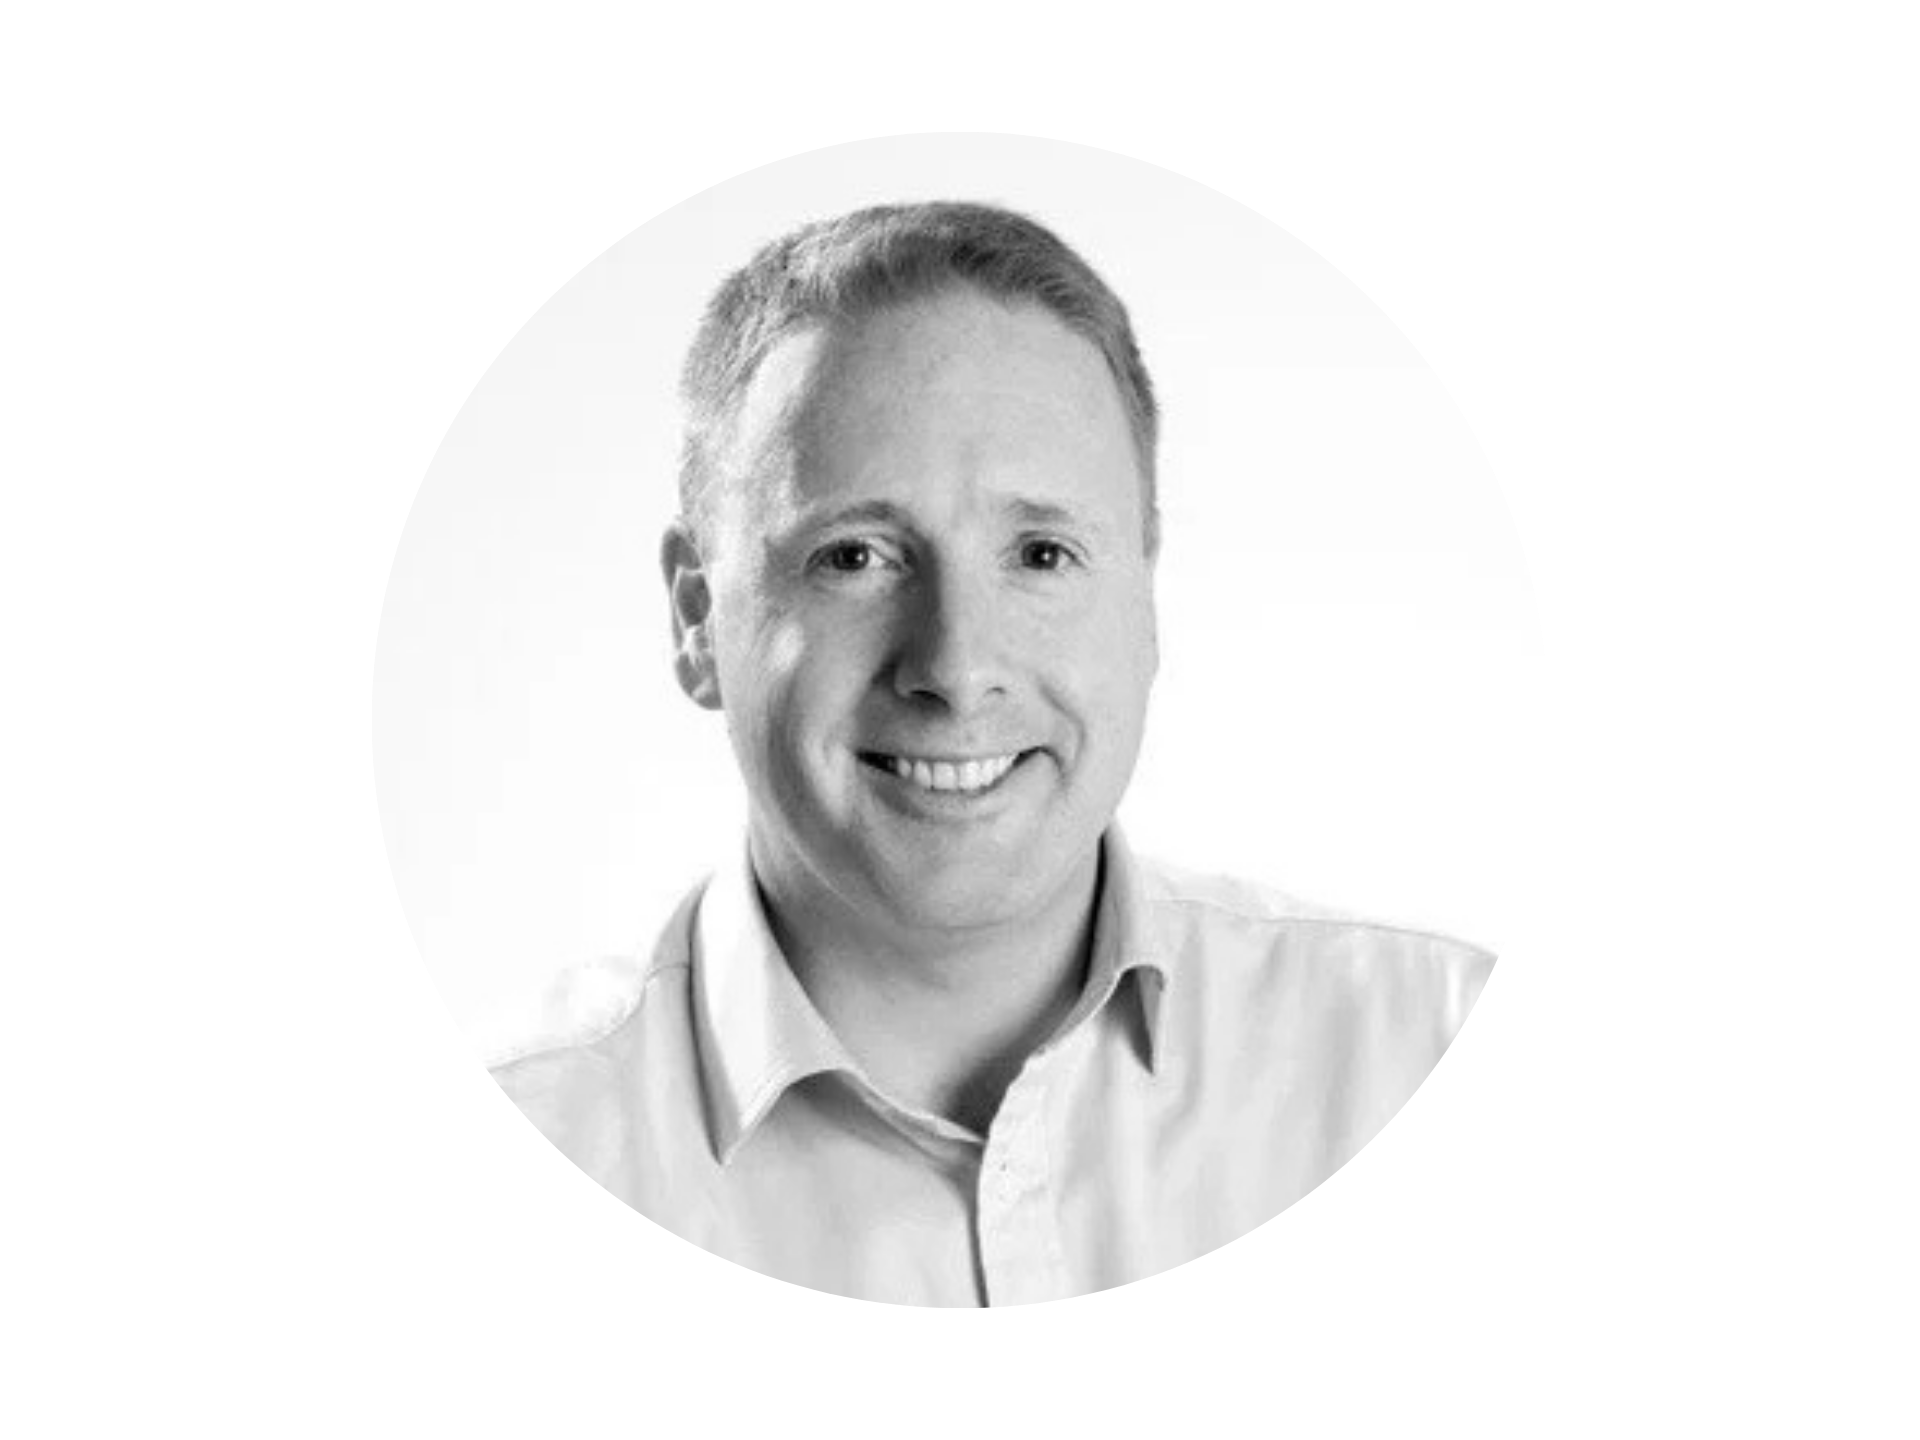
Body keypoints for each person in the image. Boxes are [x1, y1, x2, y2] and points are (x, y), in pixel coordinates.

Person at [488, 201, 1495, 1308]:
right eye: (856, 555)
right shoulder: (556, 1139)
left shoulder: (1444, 1064)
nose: (957, 668)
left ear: (1145, 597)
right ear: (696, 620)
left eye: (1042, 552)